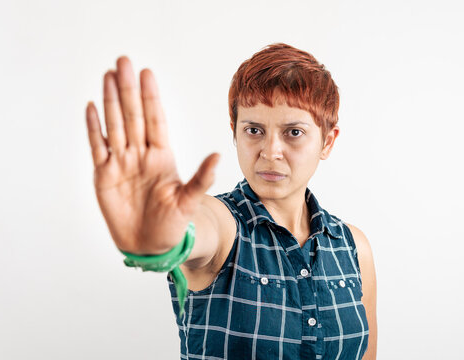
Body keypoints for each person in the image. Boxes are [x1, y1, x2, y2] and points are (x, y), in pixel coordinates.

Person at [85, 43, 377, 360]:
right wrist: (157, 238)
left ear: (327, 141)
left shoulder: (353, 247)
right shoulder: (224, 227)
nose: (270, 151)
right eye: (254, 130)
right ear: (235, 133)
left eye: (293, 132)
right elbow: (193, 229)